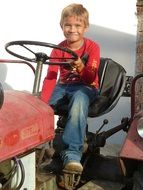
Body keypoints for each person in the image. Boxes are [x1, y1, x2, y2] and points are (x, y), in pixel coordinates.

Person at [41, 3, 100, 174]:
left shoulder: (92, 47)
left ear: (85, 27)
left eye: (77, 25)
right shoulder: (58, 49)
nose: (72, 29)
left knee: (80, 99)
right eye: (68, 25)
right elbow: (51, 77)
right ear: (61, 26)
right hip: (64, 86)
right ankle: (35, 144)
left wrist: (81, 66)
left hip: (86, 86)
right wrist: (44, 104)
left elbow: (90, 76)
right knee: (37, 104)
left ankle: (73, 155)